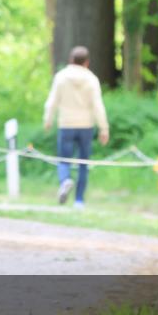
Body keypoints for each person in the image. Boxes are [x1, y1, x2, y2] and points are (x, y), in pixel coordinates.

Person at [43, 46, 110, 208]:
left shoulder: (61, 77)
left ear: (71, 60)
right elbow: (98, 105)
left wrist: (48, 119)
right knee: (83, 163)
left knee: (63, 159)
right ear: (87, 62)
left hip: (66, 123)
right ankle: (79, 200)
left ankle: (65, 180)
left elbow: (52, 101)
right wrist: (104, 128)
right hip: (86, 125)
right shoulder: (91, 79)